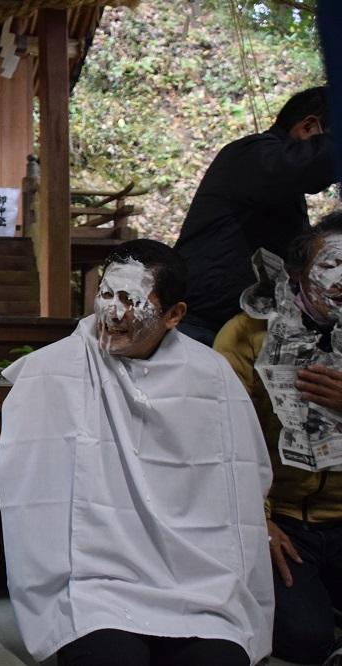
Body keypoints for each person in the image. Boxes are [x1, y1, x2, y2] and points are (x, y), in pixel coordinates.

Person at [0, 239, 274, 666]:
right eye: (106, 294)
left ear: (174, 315)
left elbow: (242, 474)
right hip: (96, 581)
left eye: (132, 299)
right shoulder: (52, 369)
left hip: (197, 579)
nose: (113, 312)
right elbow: (29, 487)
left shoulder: (211, 376)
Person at [215, 213, 342, 665]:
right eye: (330, 266)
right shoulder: (247, 333)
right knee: (305, 640)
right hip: (283, 520)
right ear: (296, 274)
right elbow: (219, 438)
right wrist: (257, 522)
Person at [175, 86, 335, 346]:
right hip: (200, 323)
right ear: (307, 128)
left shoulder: (284, 186)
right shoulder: (253, 156)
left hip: (242, 327)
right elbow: (310, 164)